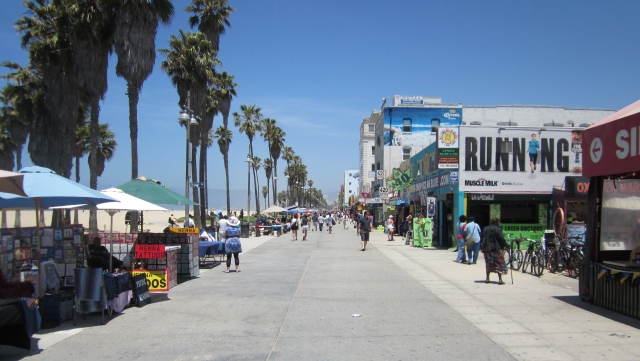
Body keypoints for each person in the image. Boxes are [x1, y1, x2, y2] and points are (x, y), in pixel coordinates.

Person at [480, 217, 510, 284]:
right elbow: (501, 239)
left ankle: (487, 278)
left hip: (487, 248)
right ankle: (500, 279)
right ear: (497, 222)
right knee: (499, 262)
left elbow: (482, 237)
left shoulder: (485, 228)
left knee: (488, 263)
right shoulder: (498, 229)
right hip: (497, 248)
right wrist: (506, 245)